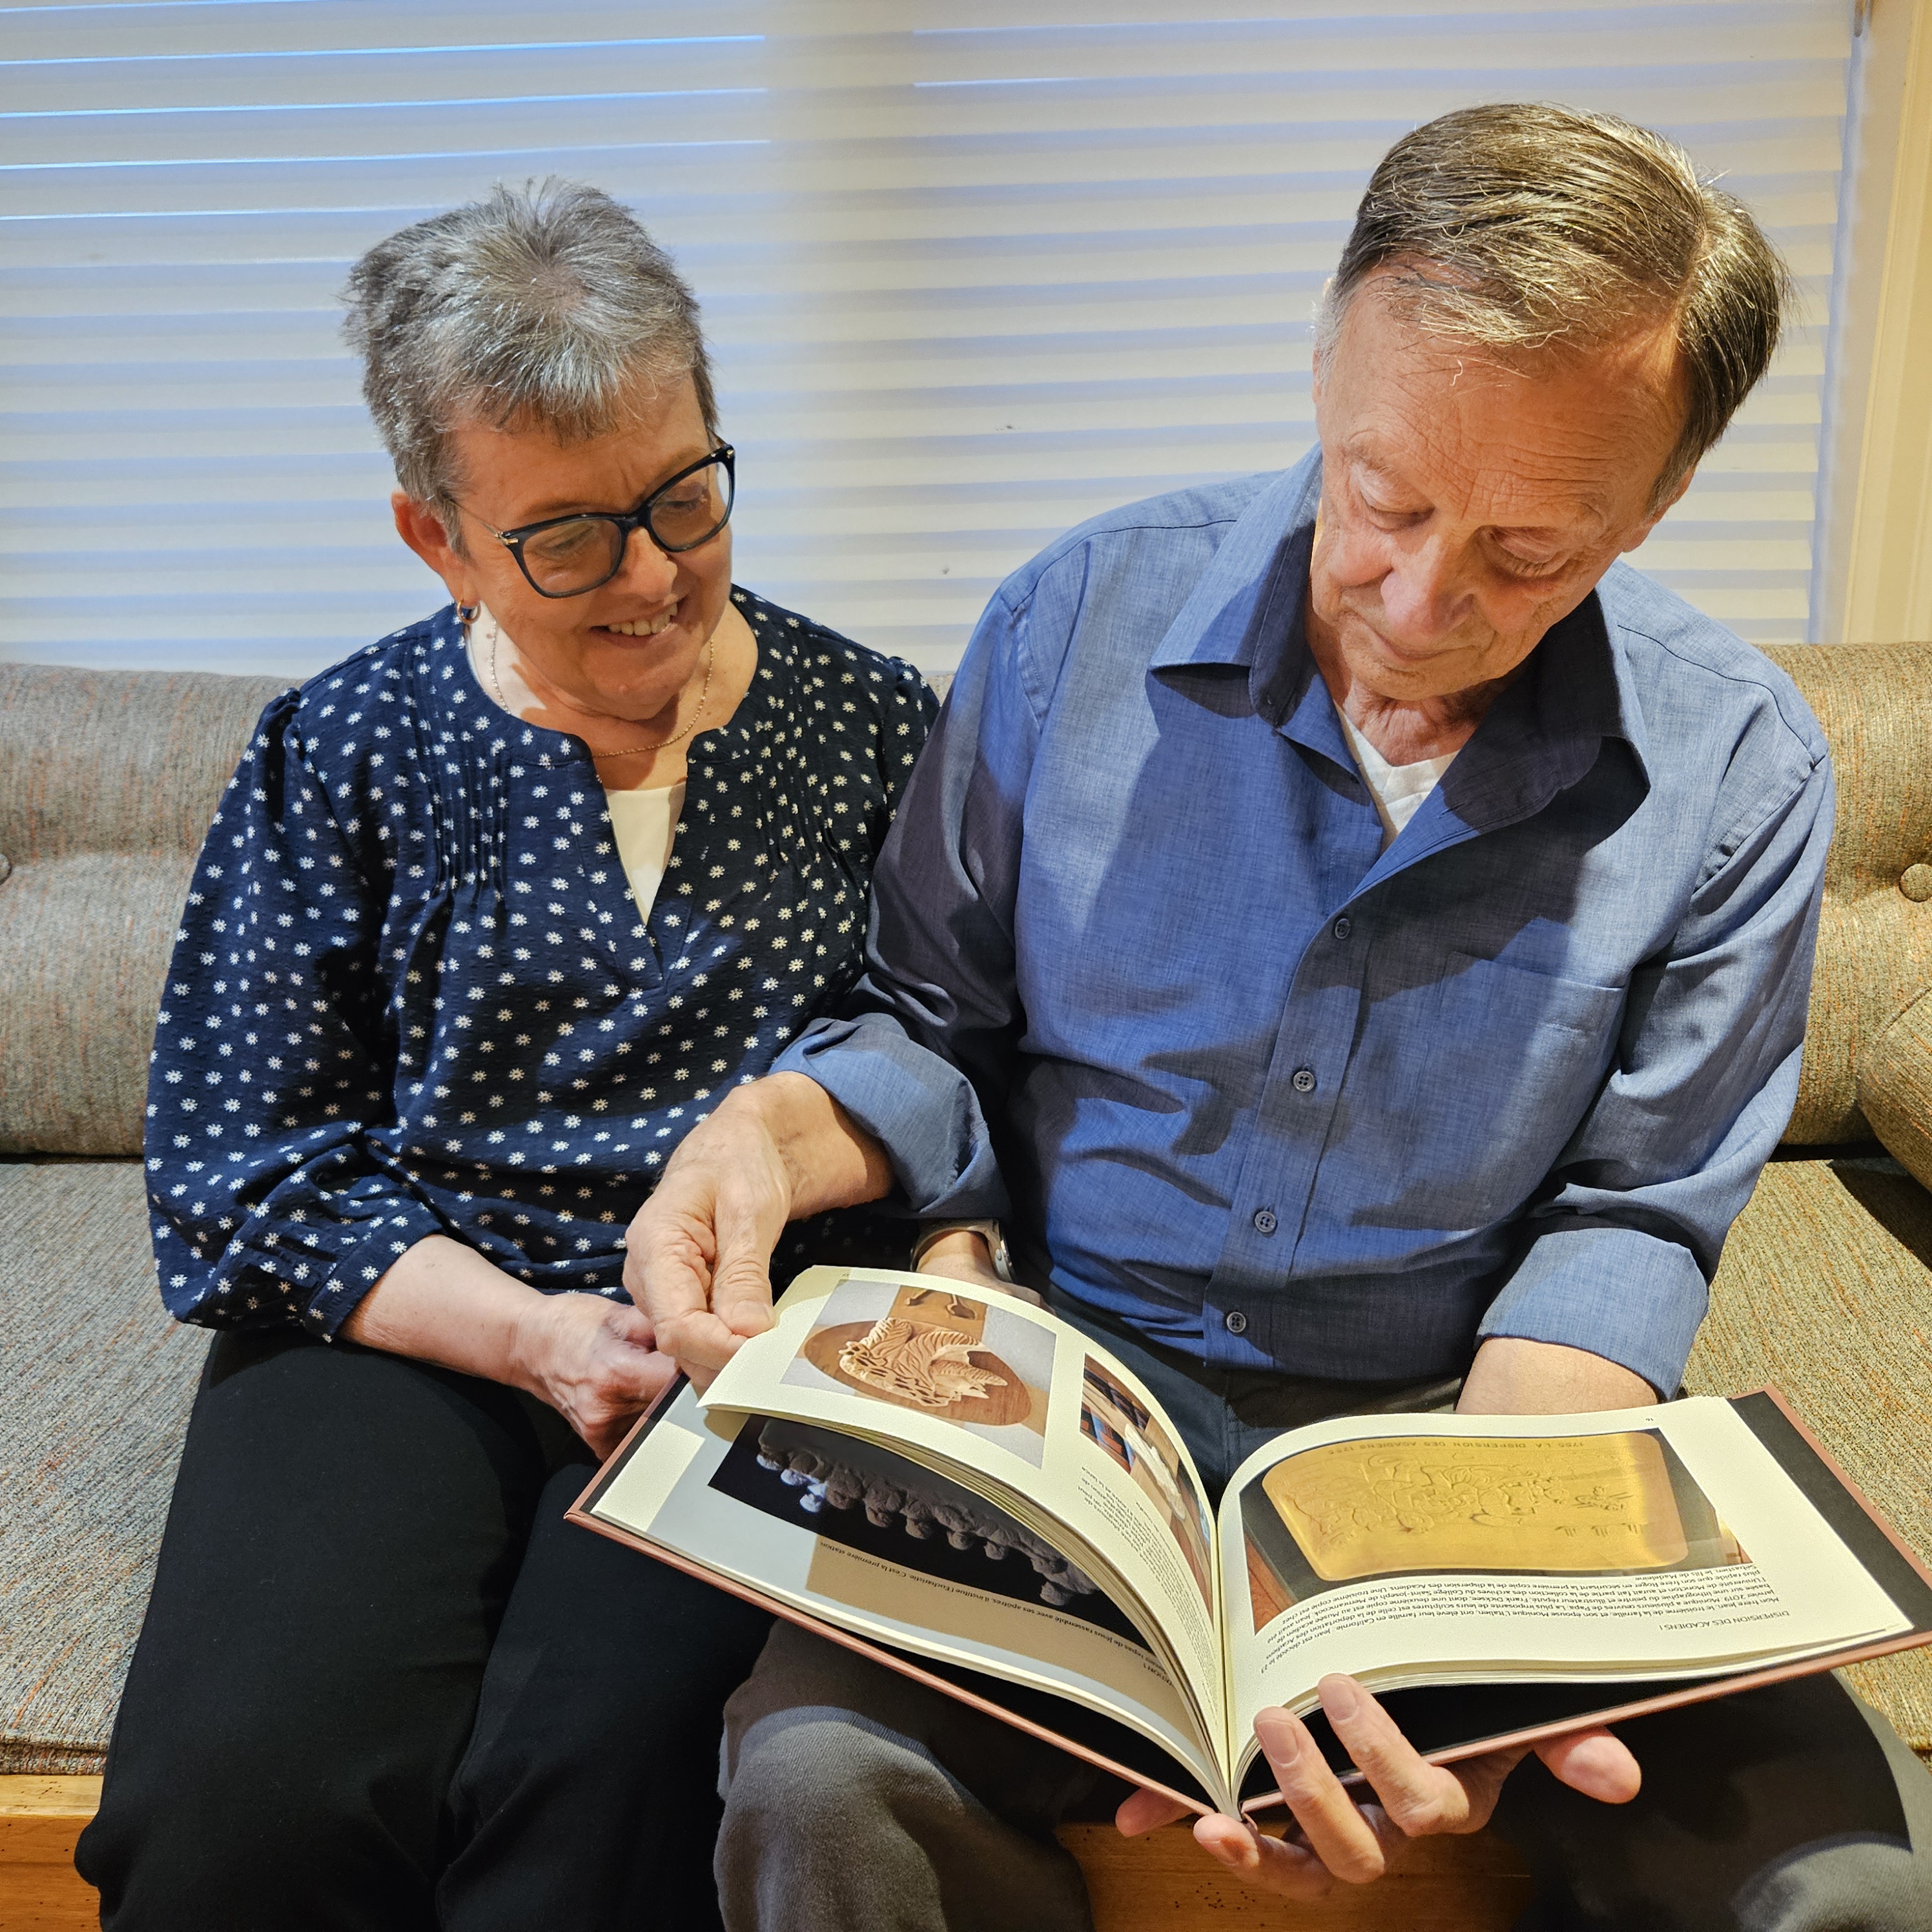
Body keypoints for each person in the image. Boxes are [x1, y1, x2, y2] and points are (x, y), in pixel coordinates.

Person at [631, 106, 1932, 1931]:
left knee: (1853, 1885)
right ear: (1325, 359)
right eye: (1381, 496)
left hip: (1482, 1421)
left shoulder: (1736, 765)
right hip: (1087, 1405)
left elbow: (1635, 1214)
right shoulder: (1073, 623)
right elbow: (932, 1024)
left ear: (1655, 504)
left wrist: (1440, 1591)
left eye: (1531, 549)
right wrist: (772, 1127)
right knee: (825, 1791)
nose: (1418, 604)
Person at [76, 181, 935, 1931]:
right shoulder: (342, 747)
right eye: (566, 538)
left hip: (737, 1337)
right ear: (436, 537)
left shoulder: (877, 730)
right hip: (405, 1314)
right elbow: (240, 1169)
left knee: (605, 1797)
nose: (655, 576)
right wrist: (535, 1334)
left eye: (683, 495)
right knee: (244, 1807)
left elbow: (949, 1065)